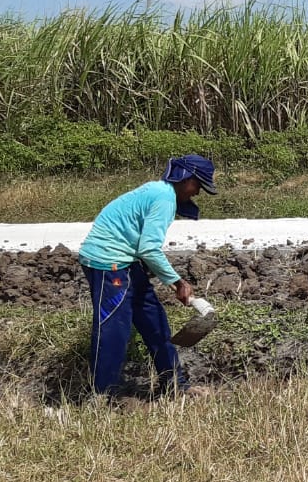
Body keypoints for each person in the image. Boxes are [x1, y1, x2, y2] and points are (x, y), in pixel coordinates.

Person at [77, 154, 218, 398]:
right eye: (198, 185)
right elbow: (149, 248)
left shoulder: (158, 191)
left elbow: (136, 237)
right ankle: (102, 397)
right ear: (186, 179)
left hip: (126, 262)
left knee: (155, 322)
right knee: (113, 332)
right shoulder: (164, 198)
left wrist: (153, 269)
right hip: (108, 264)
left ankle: (174, 386)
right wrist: (178, 283)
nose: (197, 193)